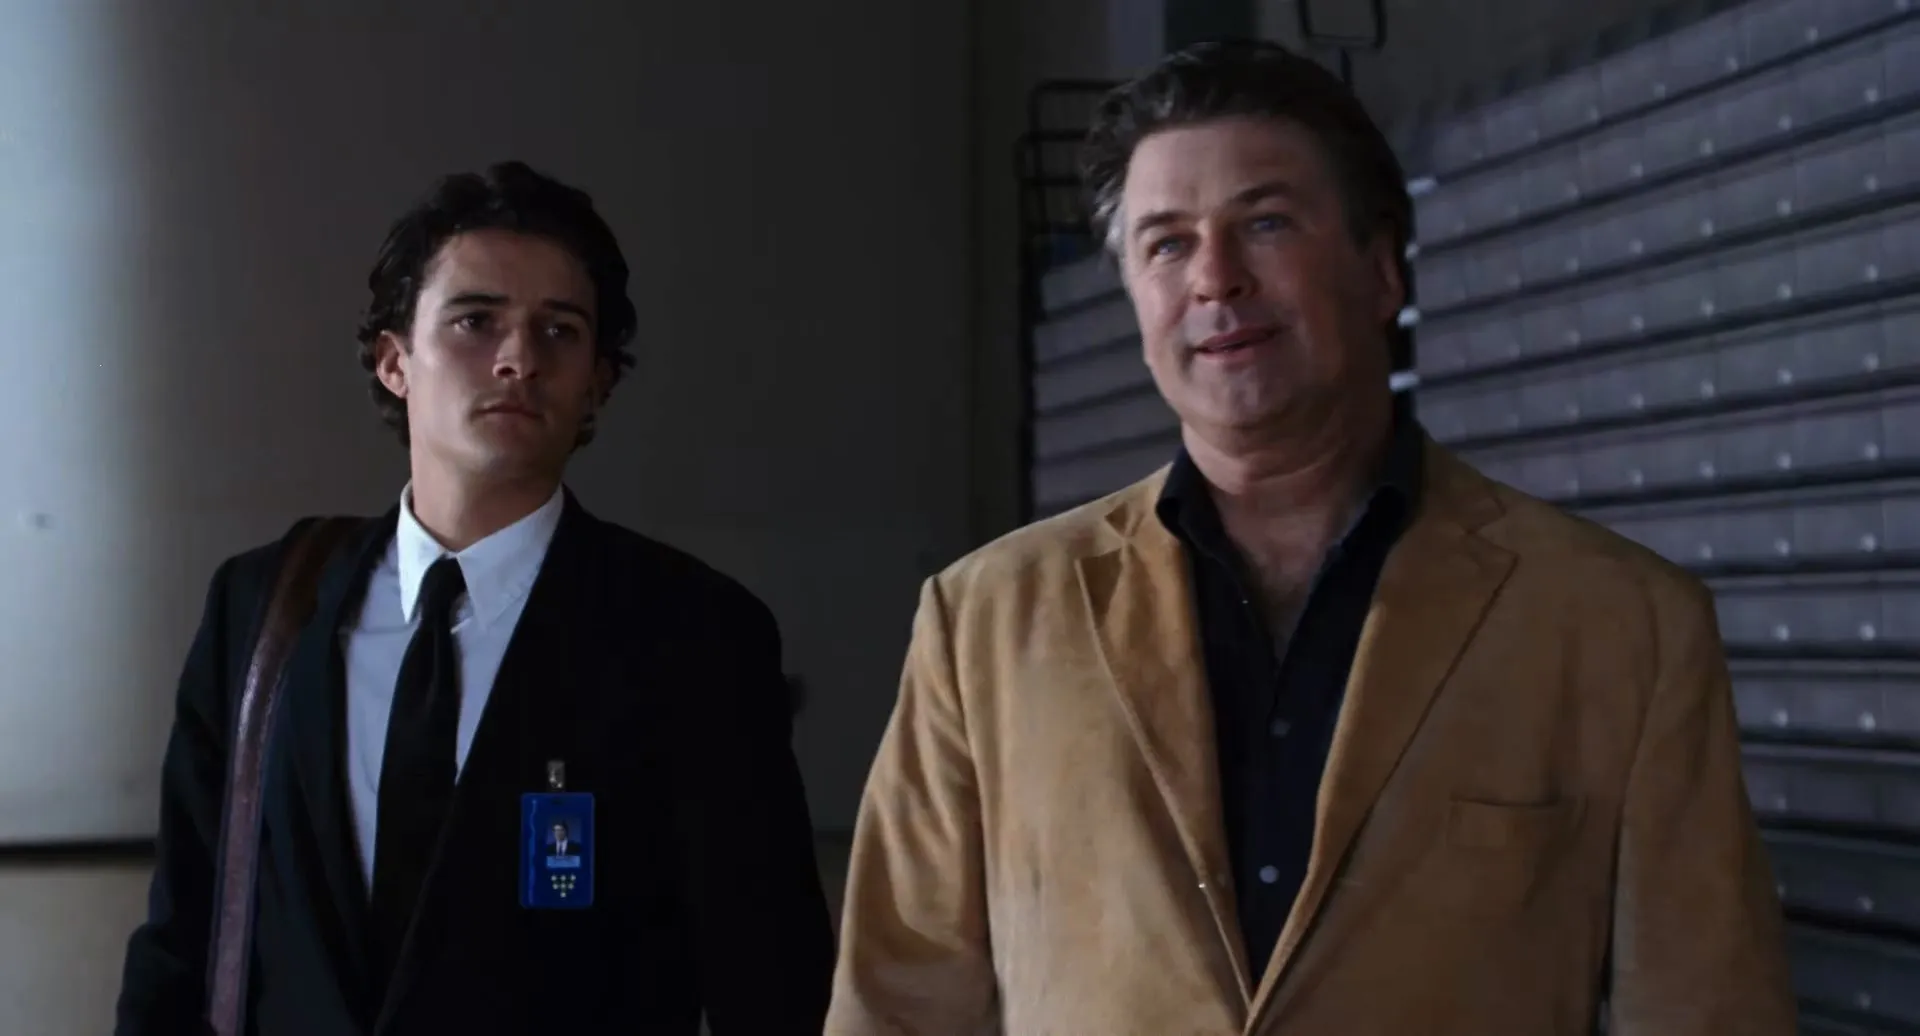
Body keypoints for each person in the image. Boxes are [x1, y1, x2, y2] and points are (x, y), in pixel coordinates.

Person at [826, 41, 1795, 1035]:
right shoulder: (987, 622)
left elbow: (1706, 1011)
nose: (1215, 279)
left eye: (1266, 223)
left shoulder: (1619, 624)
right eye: (1167, 244)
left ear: (1381, 270)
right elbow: (895, 1008)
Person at [116, 161, 835, 1035]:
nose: (518, 359)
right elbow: (181, 939)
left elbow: (772, 976)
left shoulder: (693, 634)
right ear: (395, 361)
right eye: (475, 320)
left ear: (598, 382)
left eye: (560, 331)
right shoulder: (262, 607)